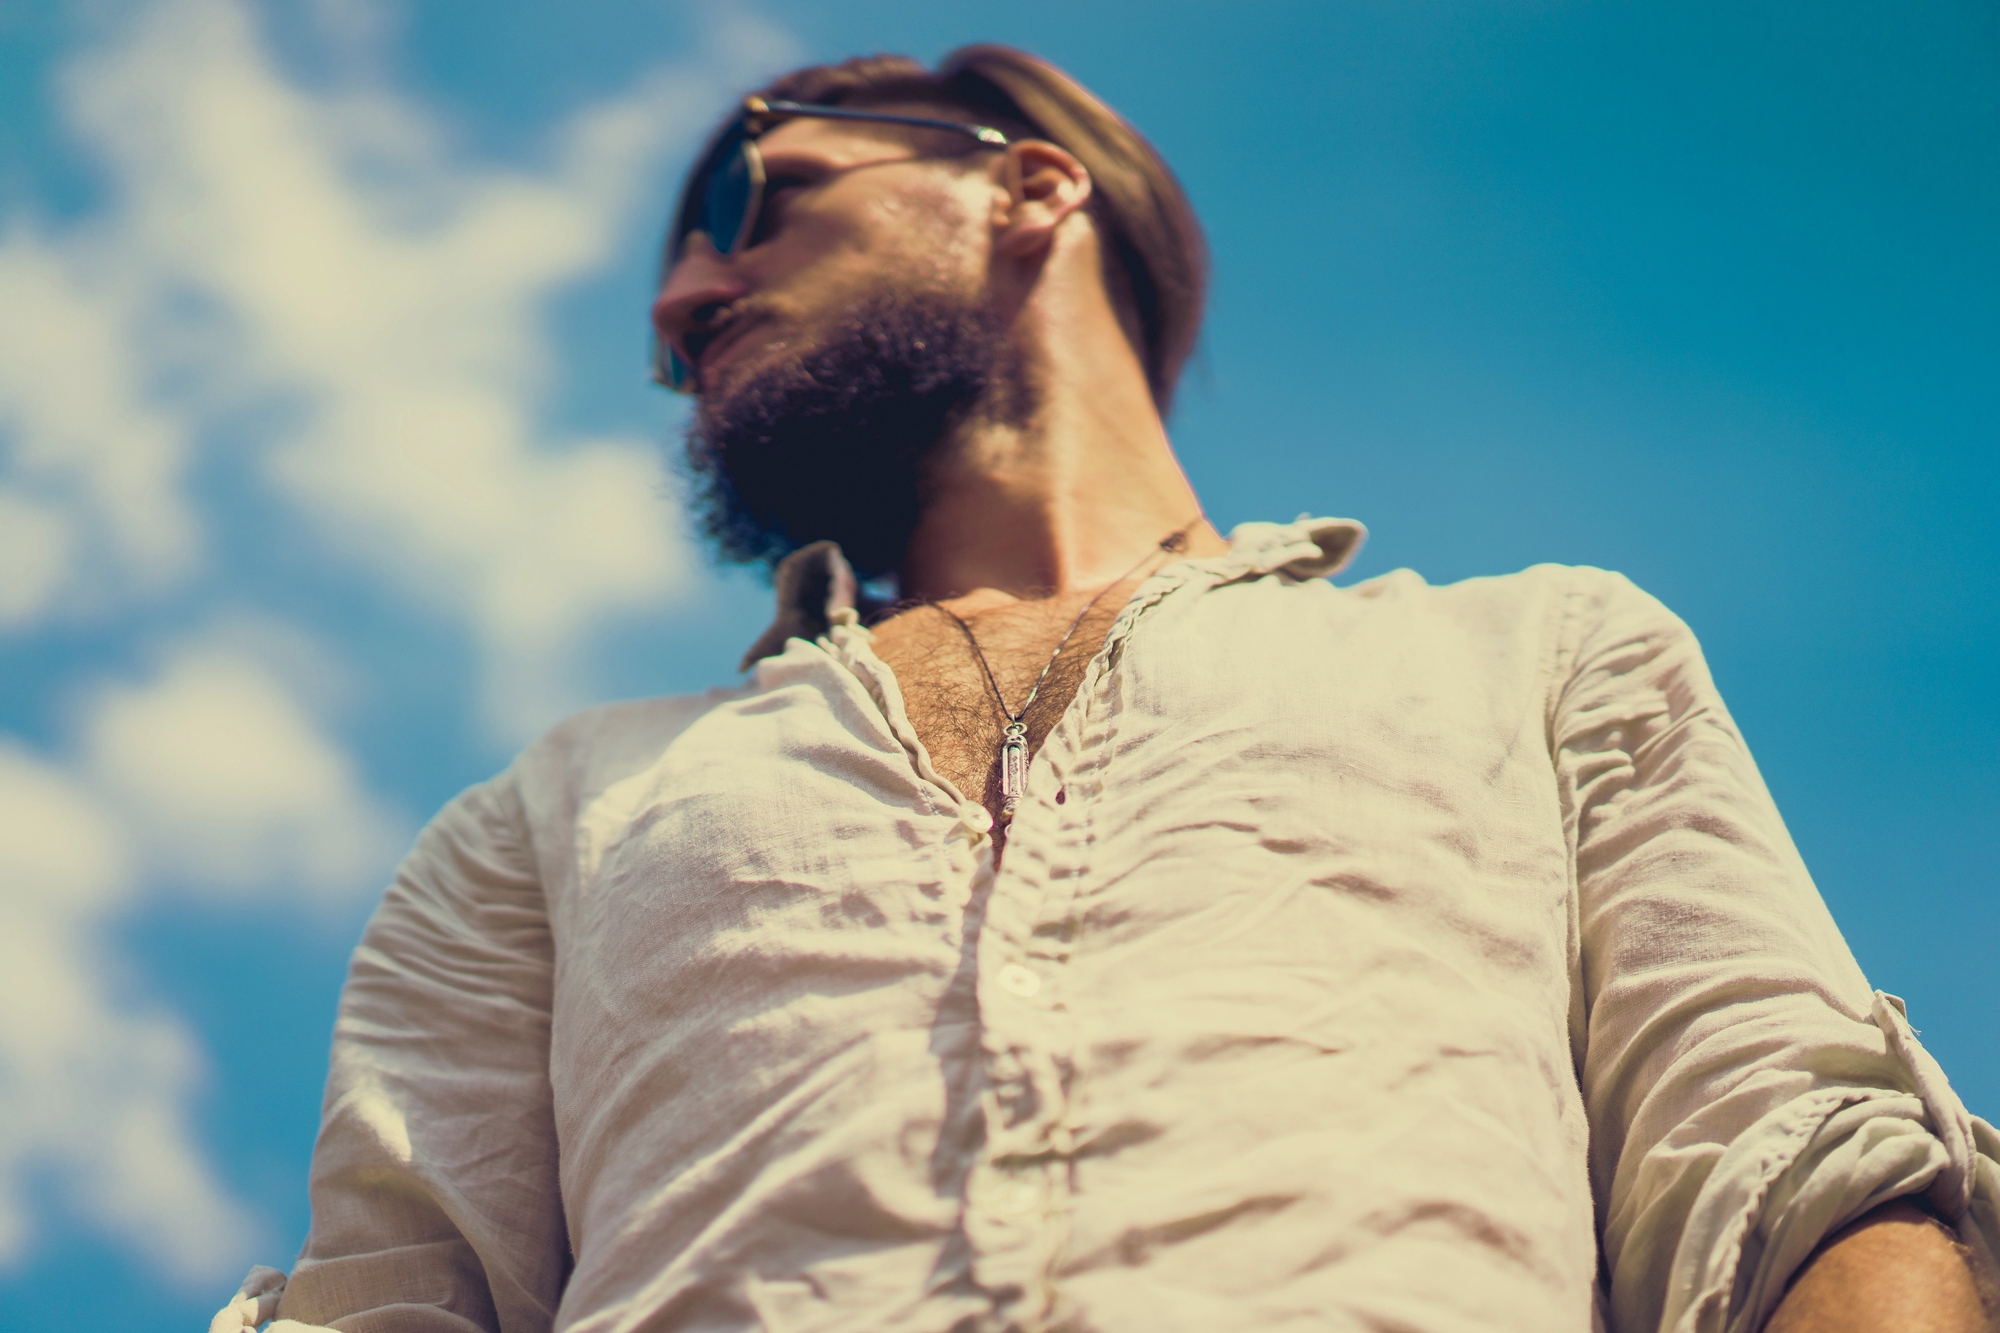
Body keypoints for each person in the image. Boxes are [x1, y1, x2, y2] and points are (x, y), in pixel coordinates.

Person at [216, 45, 1998, 1333]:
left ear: (1030, 184)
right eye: (684, 268)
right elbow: (388, 1305)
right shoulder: (549, 812)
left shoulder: (1542, 656)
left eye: (755, 195)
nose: (686, 296)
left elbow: (1791, 1174)